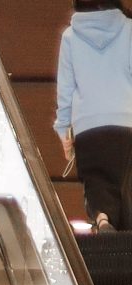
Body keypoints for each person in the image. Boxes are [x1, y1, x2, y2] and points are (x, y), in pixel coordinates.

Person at [62, 0, 132, 232]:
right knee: (124, 182)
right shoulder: (128, 29)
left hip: (87, 126)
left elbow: (66, 90)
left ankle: (103, 218)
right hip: (125, 121)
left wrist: (64, 131)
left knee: (96, 180)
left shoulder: (70, 37)